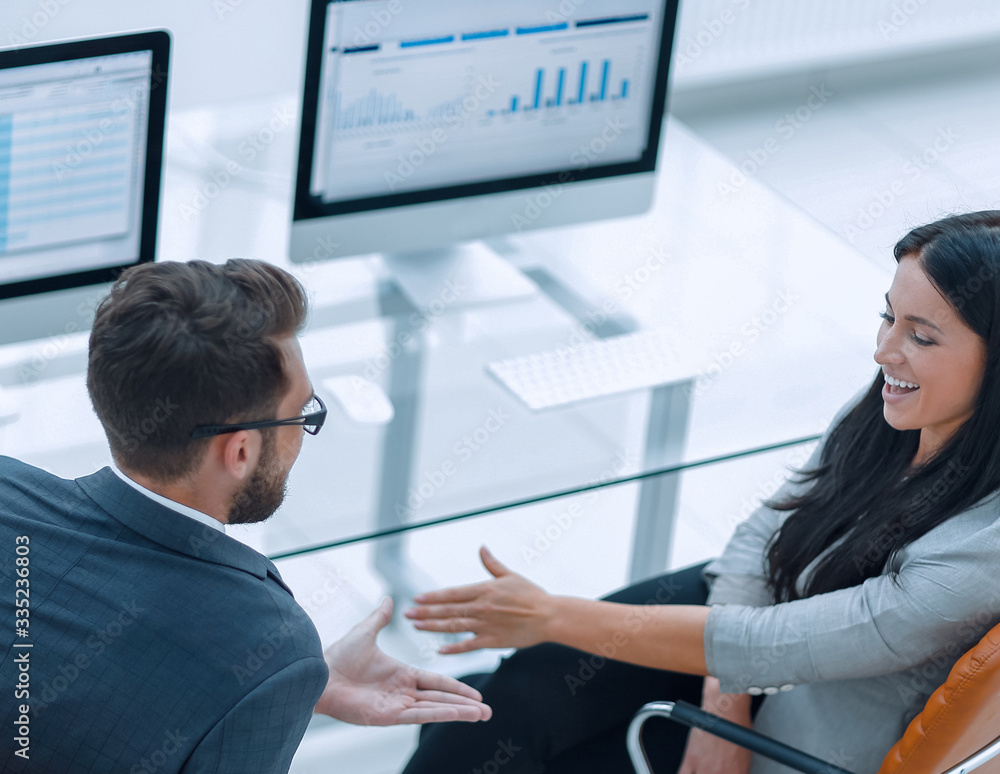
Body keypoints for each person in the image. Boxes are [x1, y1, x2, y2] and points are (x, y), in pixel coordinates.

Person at [401, 211, 1000, 774]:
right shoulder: (901, 407)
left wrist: (552, 614)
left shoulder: (986, 545)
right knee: (503, 697)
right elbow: (770, 531)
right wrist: (722, 698)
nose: (883, 351)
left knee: (500, 731)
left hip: (791, 731)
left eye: (920, 337)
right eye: (887, 316)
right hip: (753, 655)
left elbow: (795, 643)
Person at [0, 259, 490, 773]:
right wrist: (273, 675)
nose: (303, 434)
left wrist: (290, 683)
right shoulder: (265, 635)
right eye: (303, 414)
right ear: (239, 453)